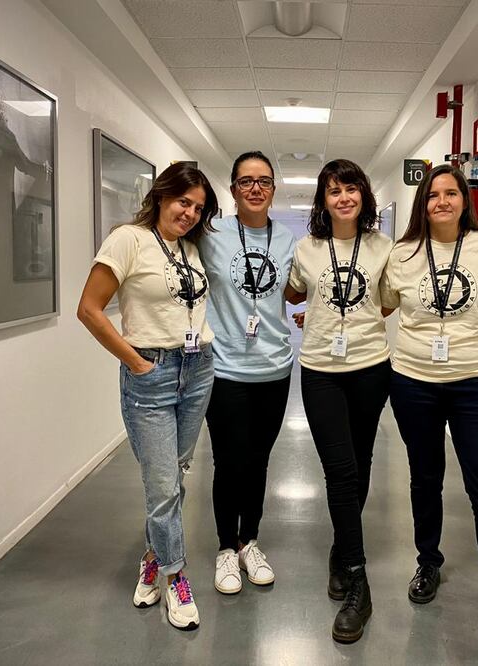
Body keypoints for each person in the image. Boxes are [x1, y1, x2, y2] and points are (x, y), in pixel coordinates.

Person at [380, 164, 478, 631]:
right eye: (433, 195)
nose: (442, 201)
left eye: (451, 193)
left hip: (477, 384)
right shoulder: (404, 253)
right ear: (422, 204)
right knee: (424, 478)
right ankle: (428, 562)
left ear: (465, 201)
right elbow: (383, 305)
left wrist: (476, 354)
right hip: (413, 382)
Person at [77, 162, 218, 631]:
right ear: (161, 196)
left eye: (198, 208)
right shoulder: (127, 239)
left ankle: (153, 556)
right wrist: (136, 361)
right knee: (161, 486)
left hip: (198, 369)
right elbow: (89, 309)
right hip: (152, 374)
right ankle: (177, 577)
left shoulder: (190, 248)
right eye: (183, 202)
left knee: (173, 478)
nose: (190, 213)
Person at [284, 159, 393, 644]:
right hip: (321, 372)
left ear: (363, 196)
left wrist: (350, 319)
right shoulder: (307, 247)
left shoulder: (384, 247)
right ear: (323, 201)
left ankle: (338, 550)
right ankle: (358, 577)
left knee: (361, 463)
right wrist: (321, 315)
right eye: (333, 190)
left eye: (351, 188)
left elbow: (386, 301)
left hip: (371, 368)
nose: (343, 197)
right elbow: (291, 293)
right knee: (340, 469)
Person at [198, 151, 297, 594]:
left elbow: (297, 291)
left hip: (275, 370)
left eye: (263, 181)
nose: (255, 188)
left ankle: (248, 541)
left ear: (273, 189)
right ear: (233, 188)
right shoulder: (210, 233)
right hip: (225, 370)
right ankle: (224, 548)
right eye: (245, 181)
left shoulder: (287, 239)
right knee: (227, 462)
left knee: (258, 461)